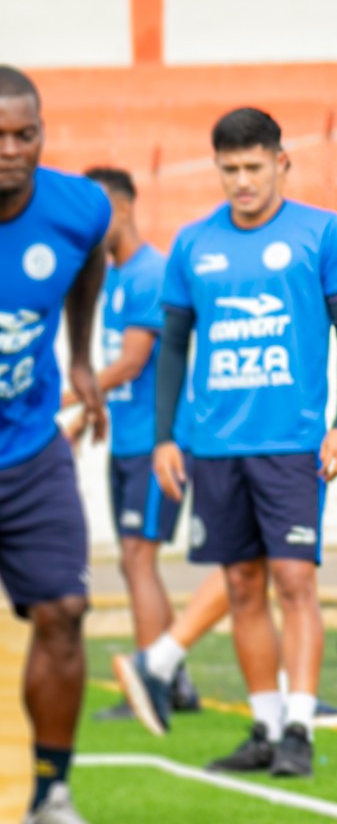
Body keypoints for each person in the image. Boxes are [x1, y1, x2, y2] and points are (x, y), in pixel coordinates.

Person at [114, 109, 337, 780]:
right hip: (213, 446)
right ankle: (263, 725)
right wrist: (166, 437)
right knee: (242, 585)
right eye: (230, 170)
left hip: (292, 443)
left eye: (254, 167)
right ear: (217, 169)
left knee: (293, 581)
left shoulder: (321, 233)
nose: (242, 181)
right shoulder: (194, 244)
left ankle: (300, 729)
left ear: (282, 163)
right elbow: (171, 347)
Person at [0, 67, 111, 824]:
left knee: (65, 615)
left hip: (30, 449)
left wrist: (79, 357)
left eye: (25, 134)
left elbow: (89, 266)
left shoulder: (79, 209)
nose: (11, 151)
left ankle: (51, 799)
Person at [65, 167, 203, 719]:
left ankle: (154, 679)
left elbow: (132, 361)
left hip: (154, 442)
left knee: (137, 559)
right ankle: (176, 678)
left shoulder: (147, 272)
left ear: (122, 209)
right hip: (126, 439)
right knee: (133, 560)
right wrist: (85, 418)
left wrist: (71, 407)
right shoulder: (115, 274)